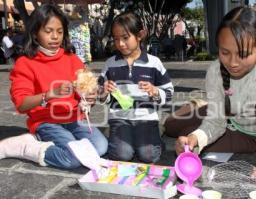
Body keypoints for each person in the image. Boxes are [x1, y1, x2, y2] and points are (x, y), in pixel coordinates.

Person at [172, 6, 256, 179]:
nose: (232, 63)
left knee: (186, 129)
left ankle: (204, 106)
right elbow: (215, 122)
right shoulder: (215, 71)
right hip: (231, 116)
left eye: (243, 54)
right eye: (225, 52)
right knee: (174, 126)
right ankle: (203, 105)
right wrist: (194, 139)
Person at [2, 4, 108, 169]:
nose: (55, 37)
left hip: (74, 118)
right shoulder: (25, 63)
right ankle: (27, 146)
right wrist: (49, 95)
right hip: (46, 121)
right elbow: (21, 104)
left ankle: (51, 141)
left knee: (100, 147)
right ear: (36, 32)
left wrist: (90, 97)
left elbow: (86, 92)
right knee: (72, 158)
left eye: (59, 31)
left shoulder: (72, 59)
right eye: (48, 31)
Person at [98, 12, 174, 163]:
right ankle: (123, 138)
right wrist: (104, 91)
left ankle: (154, 136)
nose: (120, 44)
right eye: (116, 39)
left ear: (140, 35)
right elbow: (100, 93)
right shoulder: (110, 63)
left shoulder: (154, 63)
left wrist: (155, 91)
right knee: (122, 155)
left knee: (148, 155)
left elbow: (169, 92)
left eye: (125, 38)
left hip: (146, 118)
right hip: (119, 118)